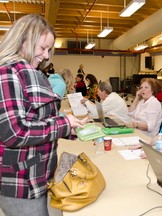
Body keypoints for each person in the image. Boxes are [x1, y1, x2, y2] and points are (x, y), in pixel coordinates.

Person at [0, 14, 87, 216]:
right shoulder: (7, 73)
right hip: (21, 183)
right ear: (23, 41)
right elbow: (15, 132)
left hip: (41, 175)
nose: (46, 56)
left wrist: (70, 127)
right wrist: (63, 124)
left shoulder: (32, 73)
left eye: (49, 49)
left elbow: (39, 120)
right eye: (42, 48)